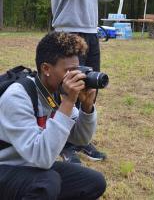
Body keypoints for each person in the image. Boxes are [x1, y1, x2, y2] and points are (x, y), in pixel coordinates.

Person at [0, 32, 106, 200]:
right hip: (6, 167)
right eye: (69, 71)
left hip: (29, 166)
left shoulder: (55, 92)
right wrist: (68, 103)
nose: (75, 76)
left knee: (94, 182)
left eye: (77, 70)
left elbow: (81, 138)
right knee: (47, 183)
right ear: (46, 69)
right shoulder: (17, 97)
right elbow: (41, 158)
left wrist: (87, 107)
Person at [48, 0, 118, 163]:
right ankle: (64, 142)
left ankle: (81, 139)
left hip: (90, 34)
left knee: (89, 88)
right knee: (67, 88)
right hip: (68, 35)